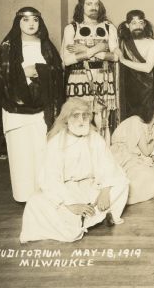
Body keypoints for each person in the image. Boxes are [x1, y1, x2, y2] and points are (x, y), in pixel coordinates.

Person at [20, 98, 129, 243]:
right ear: (66, 119)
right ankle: (90, 218)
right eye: (76, 116)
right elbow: (51, 179)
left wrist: (105, 190)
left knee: (122, 183)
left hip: (91, 187)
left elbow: (108, 166)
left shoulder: (95, 138)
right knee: (35, 202)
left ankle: (91, 216)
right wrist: (71, 204)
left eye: (85, 115)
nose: (81, 120)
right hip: (66, 189)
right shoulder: (56, 143)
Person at [0, 7, 64, 202]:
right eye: (25, 20)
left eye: (35, 20)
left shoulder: (46, 46)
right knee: (21, 154)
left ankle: (43, 195)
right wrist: (23, 73)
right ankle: (24, 197)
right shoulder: (7, 47)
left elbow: (57, 73)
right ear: (18, 23)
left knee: (42, 152)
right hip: (16, 111)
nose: (31, 24)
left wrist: (39, 71)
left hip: (42, 110)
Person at [62, 0, 119, 143]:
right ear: (81, 6)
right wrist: (99, 47)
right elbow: (67, 60)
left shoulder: (108, 27)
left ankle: (103, 154)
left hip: (104, 75)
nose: (94, 7)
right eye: (89, 4)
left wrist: (86, 50)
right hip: (79, 76)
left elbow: (116, 56)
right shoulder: (72, 28)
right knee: (81, 116)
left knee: (103, 120)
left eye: (96, 4)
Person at [111, 98, 154, 205]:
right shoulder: (136, 121)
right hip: (121, 157)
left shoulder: (153, 128)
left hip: (135, 158)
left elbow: (148, 151)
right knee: (146, 175)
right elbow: (146, 151)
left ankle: (124, 197)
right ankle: (117, 199)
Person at [116, 9, 154, 119]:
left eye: (140, 22)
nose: (138, 26)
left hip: (145, 89)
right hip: (124, 87)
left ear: (144, 24)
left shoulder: (152, 43)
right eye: (134, 23)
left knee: (143, 119)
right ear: (127, 25)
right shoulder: (122, 42)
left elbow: (148, 68)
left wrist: (124, 61)